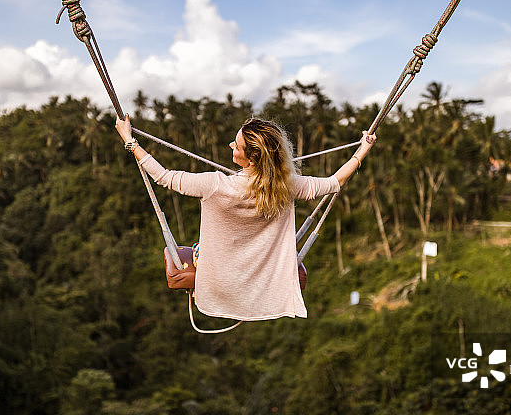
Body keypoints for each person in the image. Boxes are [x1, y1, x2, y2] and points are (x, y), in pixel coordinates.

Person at [115, 114, 376, 321]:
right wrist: (362, 150)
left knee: (193, 250)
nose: (231, 145)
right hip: (263, 272)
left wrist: (130, 141)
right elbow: (335, 182)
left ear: (251, 158)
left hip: (219, 276)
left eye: (236, 145)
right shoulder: (288, 186)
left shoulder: (216, 185)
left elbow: (164, 177)